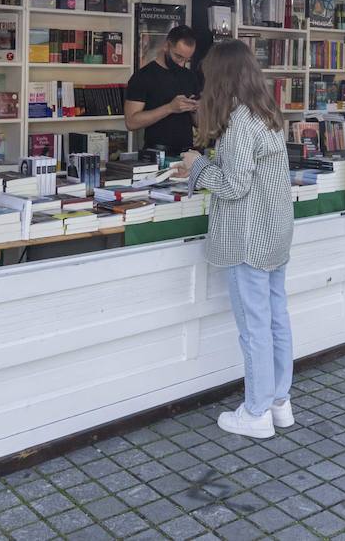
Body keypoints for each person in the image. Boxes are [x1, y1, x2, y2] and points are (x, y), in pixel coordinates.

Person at [174, 40, 295, 439]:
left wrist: (197, 166)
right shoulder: (269, 113)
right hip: (273, 233)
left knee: (254, 327)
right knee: (276, 319)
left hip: (248, 237)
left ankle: (256, 411)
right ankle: (279, 401)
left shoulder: (241, 120)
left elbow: (234, 185)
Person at [124, 25, 201, 158]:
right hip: (155, 154)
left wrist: (195, 110)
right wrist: (170, 108)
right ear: (166, 46)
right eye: (178, 56)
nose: (181, 63)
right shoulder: (143, 77)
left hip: (187, 152)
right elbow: (131, 122)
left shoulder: (190, 76)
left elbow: (199, 123)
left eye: (186, 59)